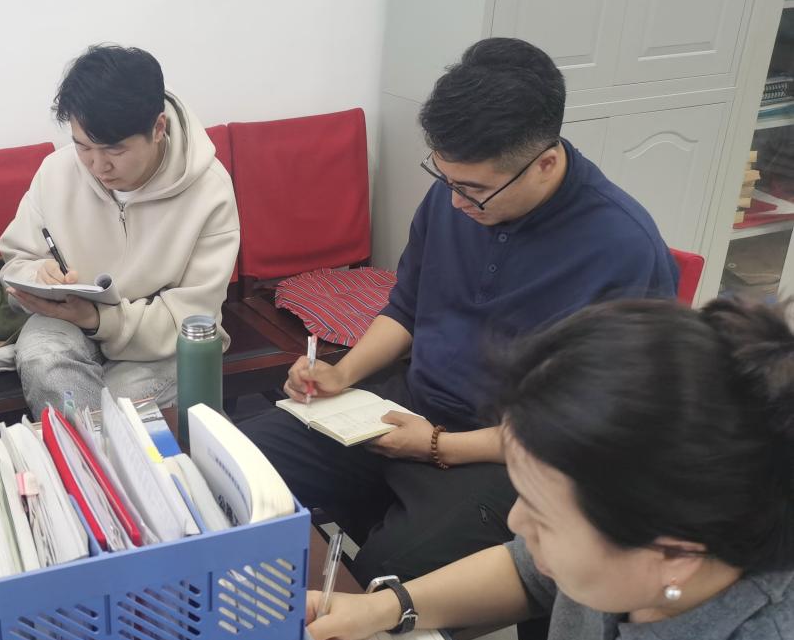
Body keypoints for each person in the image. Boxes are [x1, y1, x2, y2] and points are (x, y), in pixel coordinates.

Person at [307, 297, 794, 640]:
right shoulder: (643, 539)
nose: (516, 522)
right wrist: (381, 608)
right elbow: (528, 570)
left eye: (544, 517)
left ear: (675, 556)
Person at [239, 37, 679, 584]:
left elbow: (589, 432)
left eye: (474, 190)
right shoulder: (459, 196)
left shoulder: (623, 250)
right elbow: (406, 307)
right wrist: (341, 373)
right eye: (445, 179)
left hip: (511, 456)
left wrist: (437, 446)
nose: (455, 203)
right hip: (409, 406)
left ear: (544, 164)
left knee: (384, 579)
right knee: (238, 463)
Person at [0, 44, 239, 416]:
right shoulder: (56, 172)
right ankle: (92, 449)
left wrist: (99, 319)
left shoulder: (210, 191)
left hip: (160, 342)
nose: (98, 166)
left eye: (114, 150)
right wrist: (38, 275)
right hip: (69, 322)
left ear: (158, 128)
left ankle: (94, 447)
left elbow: (192, 317)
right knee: (43, 357)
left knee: (120, 405)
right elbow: (16, 264)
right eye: (83, 147)